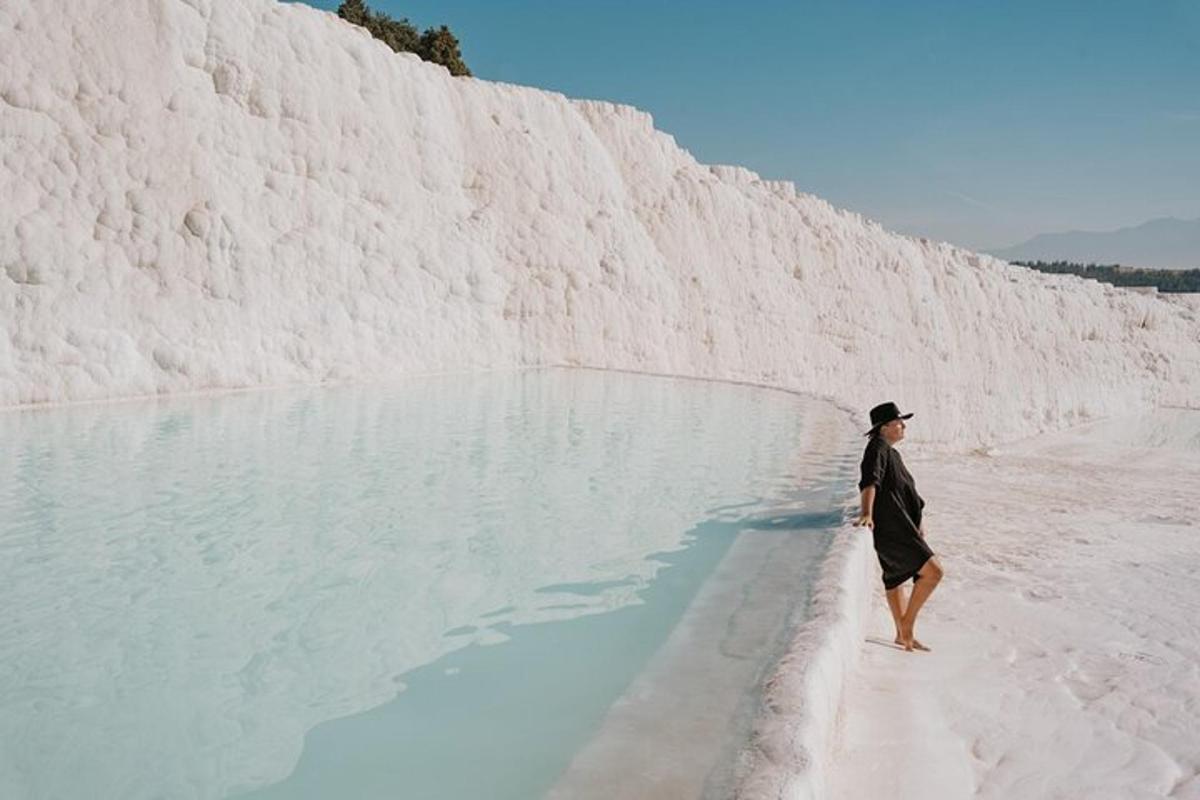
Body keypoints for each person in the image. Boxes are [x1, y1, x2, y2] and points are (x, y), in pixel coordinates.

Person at [855, 401, 944, 652]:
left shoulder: (890, 452)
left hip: (902, 524)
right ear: (884, 428)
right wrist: (866, 513)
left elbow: (905, 491)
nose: (903, 426)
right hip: (893, 528)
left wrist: (918, 520)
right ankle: (907, 626)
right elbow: (869, 482)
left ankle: (901, 634)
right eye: (898, 422)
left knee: (895, 578)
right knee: (934, 572)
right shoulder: (877, 448)